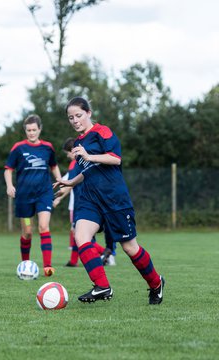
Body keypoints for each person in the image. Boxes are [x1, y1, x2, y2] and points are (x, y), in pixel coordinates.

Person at [54, 97, 165, 304]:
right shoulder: (78, 143)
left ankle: (156, 283)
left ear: (88, 113)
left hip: (114, 199)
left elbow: (115, 158)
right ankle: (102, 286)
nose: (75, 120)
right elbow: (87, 171)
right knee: (81, 236)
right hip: (91, 199)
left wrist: (89, 156)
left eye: (78, 115)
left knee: (130, 248)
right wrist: (70, 183)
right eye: (71, 118)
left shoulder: (102, 131)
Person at [4, 114, 62, 277]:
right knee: (28, 231)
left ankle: (48, 267)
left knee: (44, 226)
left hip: (44, 194)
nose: (31, 133)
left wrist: (60, 180)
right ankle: (25, 265)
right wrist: (9, 185)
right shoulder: (18, 148)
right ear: (25, 131)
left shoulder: (47, 147)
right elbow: (8, 169)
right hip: (24, 197)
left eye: (34, 130)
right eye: (28, 130)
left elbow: (54, 166)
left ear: (39, 130)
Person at [53, 137, 113, 267]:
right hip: (85, 201)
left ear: (72, 150)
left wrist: (59, 198)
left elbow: (71, 183)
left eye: (68, 153)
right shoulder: (82, 162)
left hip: (82, 202)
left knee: (81, 234)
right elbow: (71, 182)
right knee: (79, 233)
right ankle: (75, 261)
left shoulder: (77, 163)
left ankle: (104, 252)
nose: (68, 156)